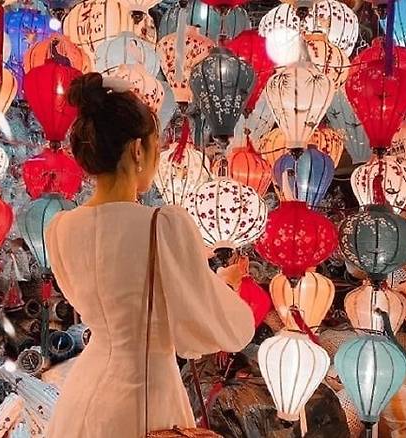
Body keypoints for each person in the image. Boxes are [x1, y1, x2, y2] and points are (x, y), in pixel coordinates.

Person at [45, 72, 255, 438]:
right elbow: (228, 330)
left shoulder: (60, 228)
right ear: (138, 150)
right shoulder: (162, 225)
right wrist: (227, 286)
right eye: (156, 146)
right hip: (144, 395)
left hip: (82, 392)